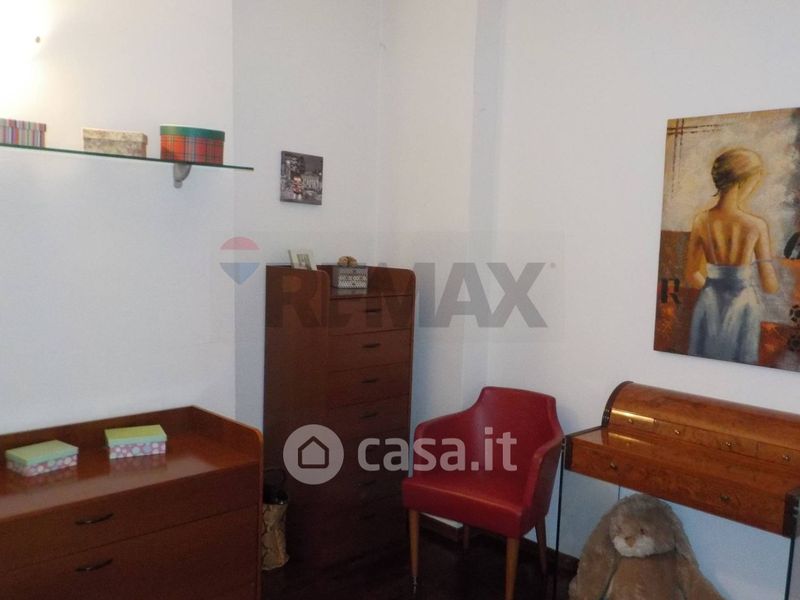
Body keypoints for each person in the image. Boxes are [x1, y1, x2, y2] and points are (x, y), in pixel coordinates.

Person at [684, 148, 780, 363]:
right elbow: (769, 285)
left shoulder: (701, 221)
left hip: (708, 302)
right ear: (741, 183)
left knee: (702, 362)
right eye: (754, 183)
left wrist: (715, 288)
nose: (754, 188)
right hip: (743, 304)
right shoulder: (756, 225)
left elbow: (691, 274)